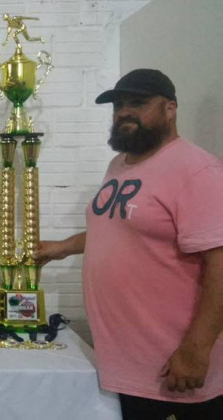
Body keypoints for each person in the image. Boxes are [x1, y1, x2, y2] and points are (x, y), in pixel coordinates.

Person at [33, 69, 223, 419]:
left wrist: (196, 350)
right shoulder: (119, 165)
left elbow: (220, 264)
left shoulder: (197, 170)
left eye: (137, 103)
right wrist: (62, 247)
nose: (124, 112)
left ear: (170, 108)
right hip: (127, 363)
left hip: (173, 367)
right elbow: (118, 229)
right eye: (118, 105)